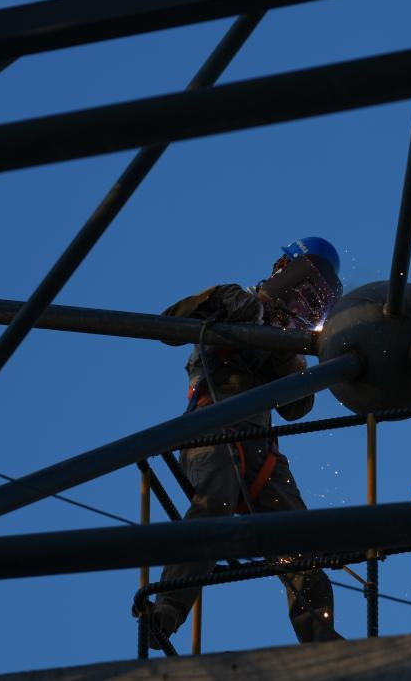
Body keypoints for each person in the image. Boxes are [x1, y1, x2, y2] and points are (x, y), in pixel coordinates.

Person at [147, 237, 344, 647]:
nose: (307, 306)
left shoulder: (286, 346)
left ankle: (322, 644)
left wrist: (284, 354)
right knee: (216, 502)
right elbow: (168, 323)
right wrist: (226, 307)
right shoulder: (234, 303)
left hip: (262, 451)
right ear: (284, 271)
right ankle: (166, 609)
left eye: (317, 301)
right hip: (212, 430)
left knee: (301, 544)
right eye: (306, 291)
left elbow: (298, 405)